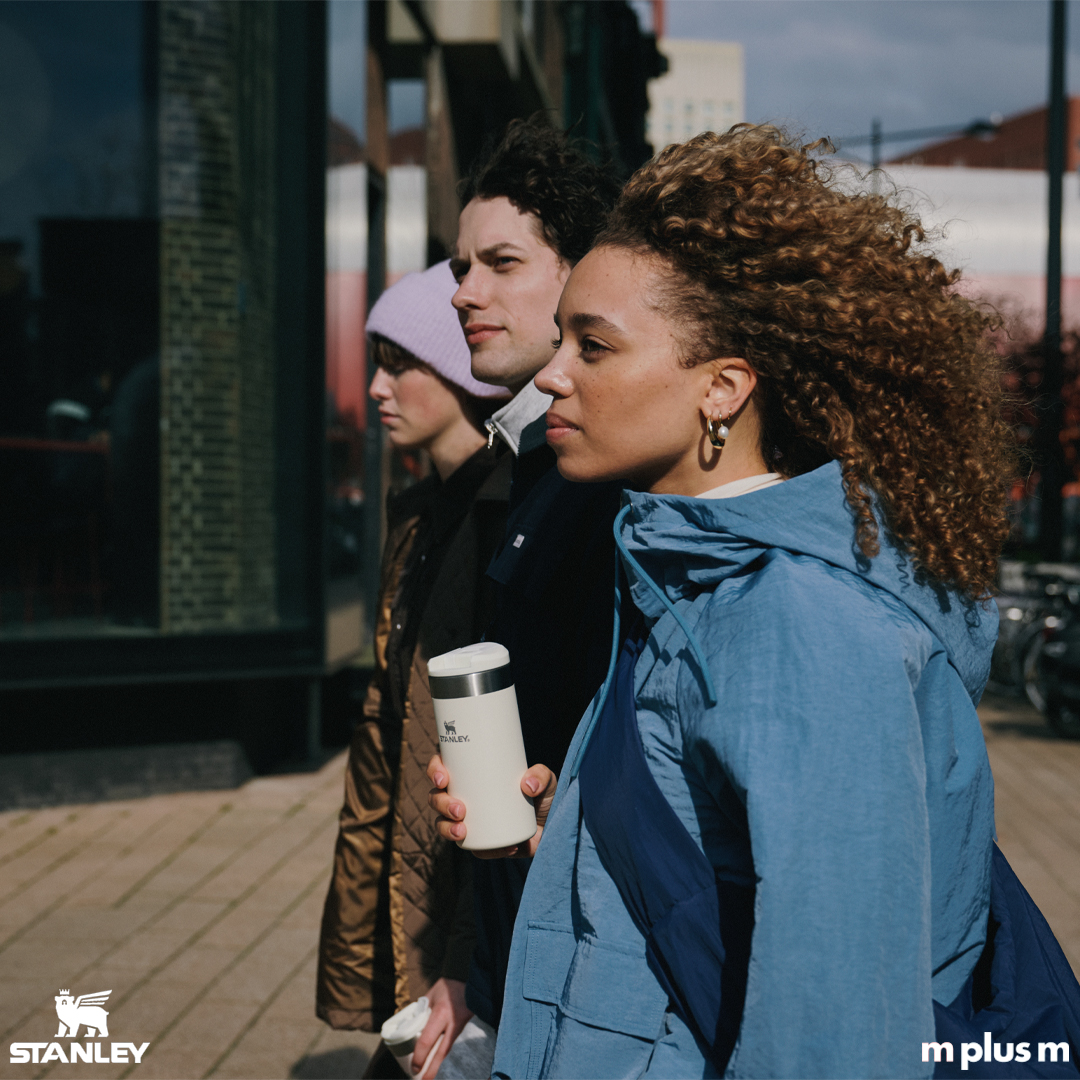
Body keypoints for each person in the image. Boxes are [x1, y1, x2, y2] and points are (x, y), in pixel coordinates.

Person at [436, 126, 1080, 1078]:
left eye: (595, 345)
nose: (551, 373)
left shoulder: (804, 628)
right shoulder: (683, 572)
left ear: (723, 390)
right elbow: (713, 900)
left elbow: (836, 1037)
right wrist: (564, 843)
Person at [443, 117, 623, 1031]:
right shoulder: (527, 462)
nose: (465, 290)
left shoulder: (605, 475)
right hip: (531, 948)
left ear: (578, 273)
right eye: (458, 267)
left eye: (500, 262)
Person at [316, 261, 510, 1079]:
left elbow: (492, 759)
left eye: (400, 364)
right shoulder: (420, 514)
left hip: (466, 888)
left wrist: (467, 953)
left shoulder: (498, 518)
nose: (377, 388)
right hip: (419, 880)